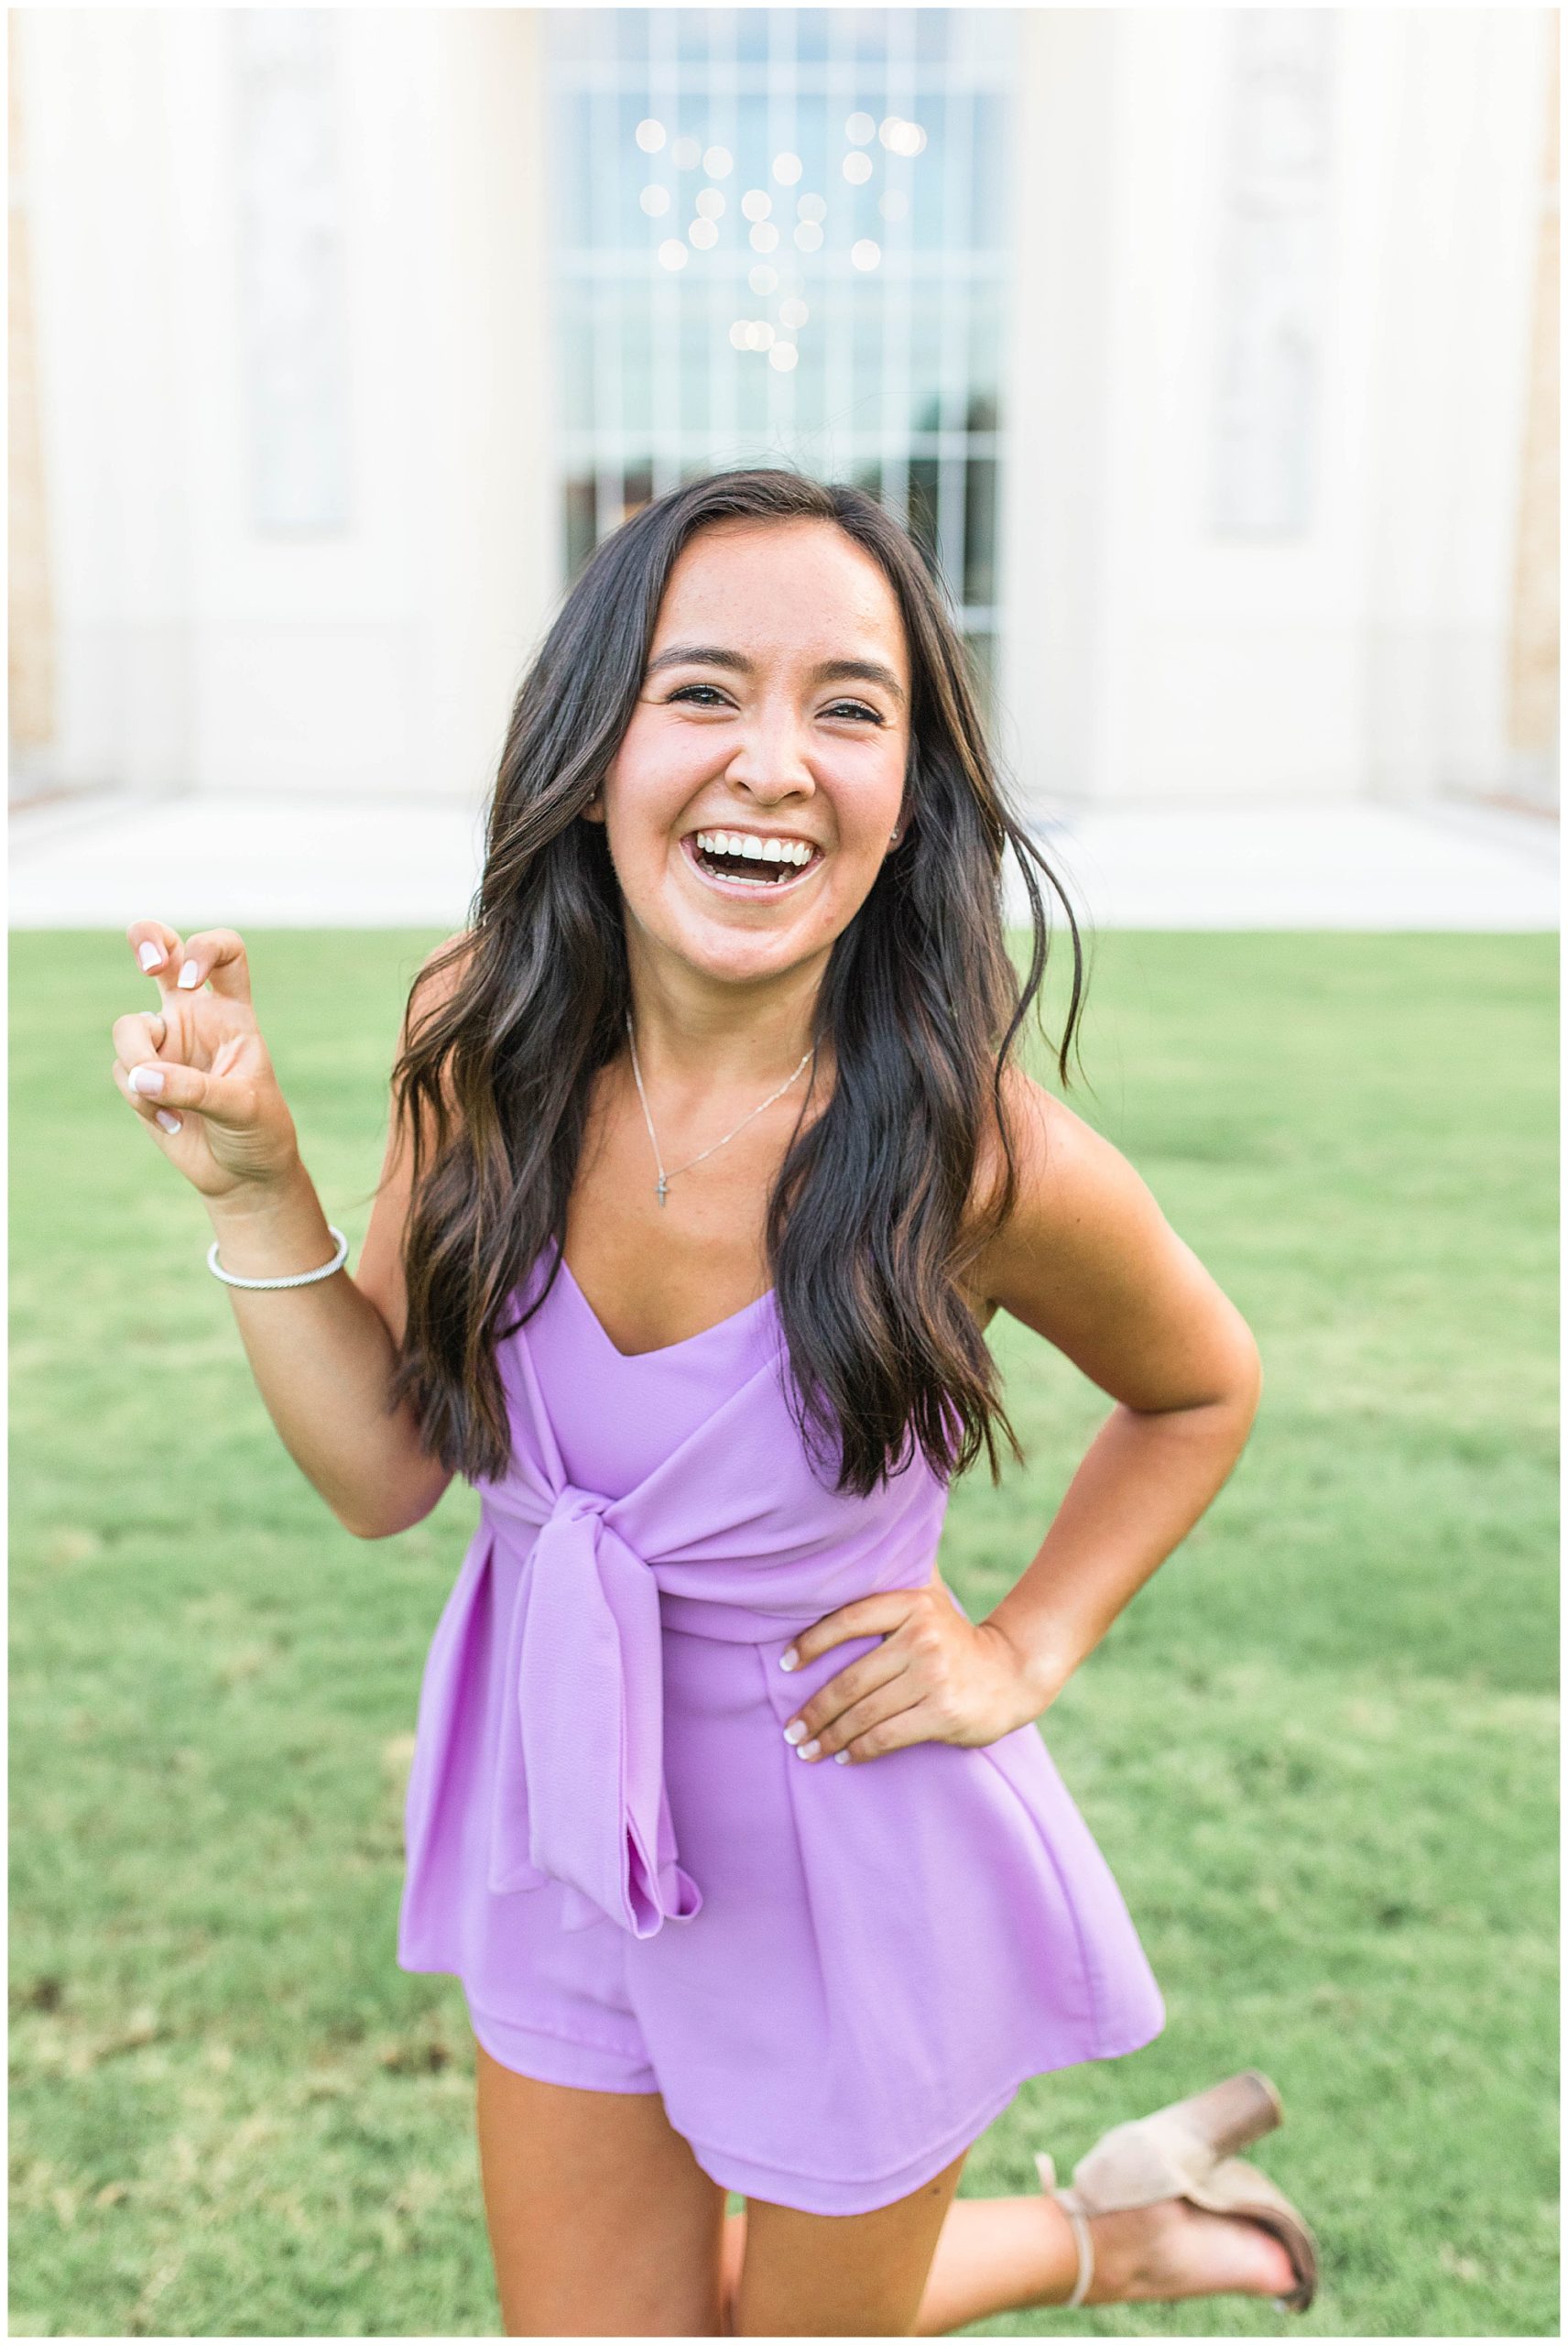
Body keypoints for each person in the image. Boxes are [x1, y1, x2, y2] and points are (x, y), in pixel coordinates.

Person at [110, 467, 1317, 2336]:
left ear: (906, 794)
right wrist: (262, 1185)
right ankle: (1122, 2225)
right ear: (594, 752)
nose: (774, 758)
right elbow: (378, 1476)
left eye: (850, 706)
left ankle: (1104, 2226)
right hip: (559, 1811)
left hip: (854, 1834)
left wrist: (1026, 1639)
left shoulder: (982, 1156)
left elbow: (1198, 1383)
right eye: (703, 690)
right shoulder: (483, 1047)